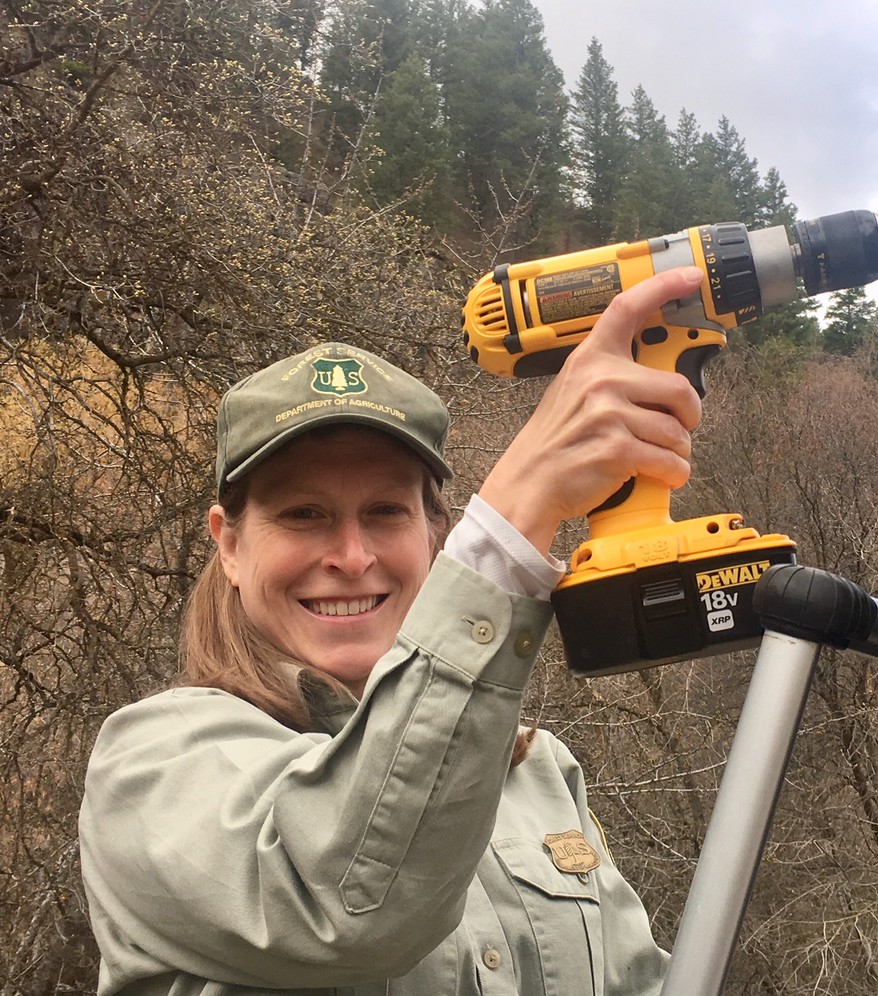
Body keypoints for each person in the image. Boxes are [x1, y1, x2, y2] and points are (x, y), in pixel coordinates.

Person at [78, 267, 707, 995]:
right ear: (229, 545)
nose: (352, 556)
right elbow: (344, 910)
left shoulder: (538, 776)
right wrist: (510, 529)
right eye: (303, 514)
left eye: (385, 512)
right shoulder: (149, 765)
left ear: (434, 535)